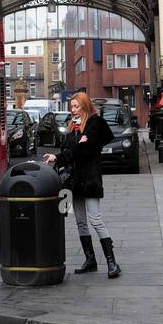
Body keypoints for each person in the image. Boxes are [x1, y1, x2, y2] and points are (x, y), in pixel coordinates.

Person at [44, 93, 120, 278]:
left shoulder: (94, 123)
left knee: (95, 220)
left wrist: (61, 156)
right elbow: (68, 149)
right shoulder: (74, 125)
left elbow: (83, 150)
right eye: (72, 106)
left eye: (76, 106)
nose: (73, 109)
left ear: (85, 106)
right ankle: (90, 260)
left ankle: (112, 262)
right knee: (80, 222)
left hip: (90, 179)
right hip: (74, 181)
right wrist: (64, 153)